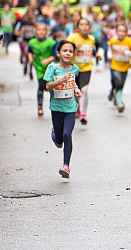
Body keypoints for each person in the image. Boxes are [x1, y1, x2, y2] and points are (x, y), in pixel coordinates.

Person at [44, 40, 82, 178]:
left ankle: (66, 166)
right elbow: (48, 86)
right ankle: (54, 134)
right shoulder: (52, 68)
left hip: (70, 107)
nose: (68, 53)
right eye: (65, 51)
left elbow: (73, 82)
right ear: (58, 53)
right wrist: (61, 80)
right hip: (56, 107)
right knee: (59, 139)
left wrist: (76, 89)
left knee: (67, 135)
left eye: (70, 51)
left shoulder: (75, 69)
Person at [67, 18, 100, 125]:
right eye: (81, 25)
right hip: (73, 68)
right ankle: (77, 106)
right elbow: (64, 49)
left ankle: (84, 114)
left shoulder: (91, 38)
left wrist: (96, 54)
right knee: (75, 90)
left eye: (86, 25)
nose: (84, 27)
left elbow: (92, 49)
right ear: (77, 27)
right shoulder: (73, 37)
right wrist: (74, 47)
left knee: (84, 90)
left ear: (89, 27)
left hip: (86, 68)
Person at [107, 23, 131, 113]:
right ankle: (120, 103)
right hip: (114, 66)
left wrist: (128, 53)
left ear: (126, 32)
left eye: (123, 31)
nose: (121, 33)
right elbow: (110, 48)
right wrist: (109, 55)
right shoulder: (113, 40)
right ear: (116, 32)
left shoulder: (128, 41)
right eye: (119, 31)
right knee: (118, 83)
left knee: (121, 85)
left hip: (124, 67)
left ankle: (116, 98)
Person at [28, 23, 57, 116]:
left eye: (43, 30)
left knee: (51, 88)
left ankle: (55, 107)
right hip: (39, 68)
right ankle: (39, 107)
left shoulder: (51, 43)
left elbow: (56, 56)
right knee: (41, 86)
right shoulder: (32, 42)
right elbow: (30, 51)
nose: (41, 32)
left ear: (47, 32)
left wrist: (48, 60)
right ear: (35, 31)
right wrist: (30, 59)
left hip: (50, 69)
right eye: (39, 30)